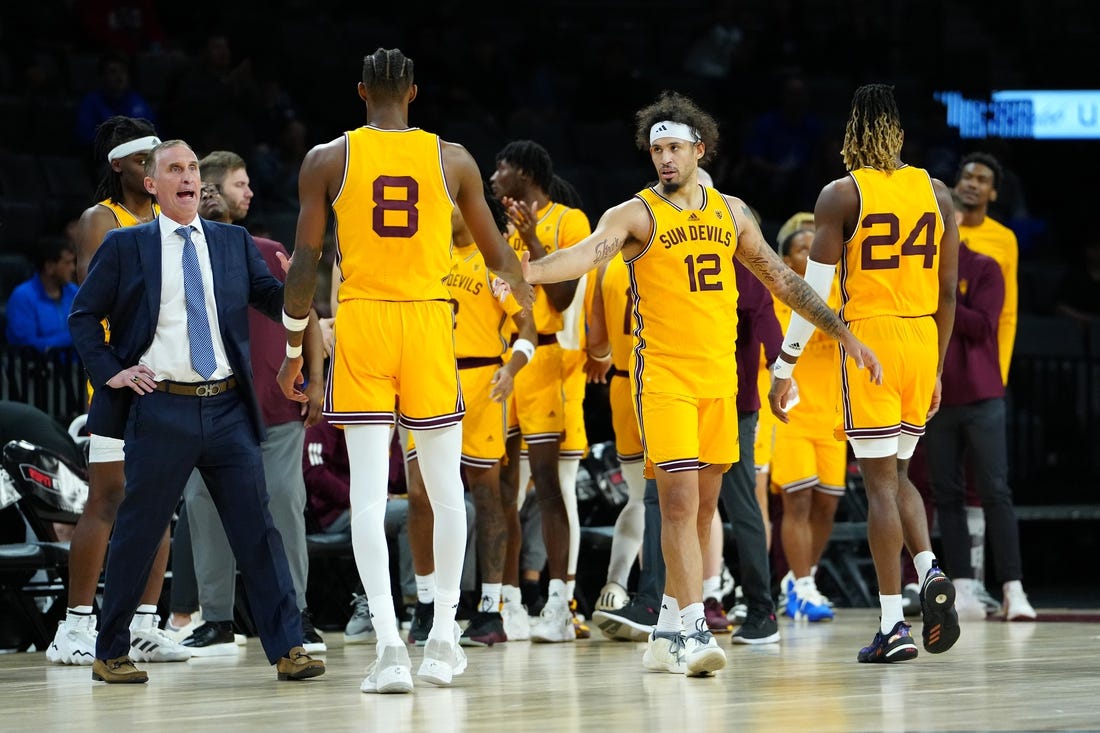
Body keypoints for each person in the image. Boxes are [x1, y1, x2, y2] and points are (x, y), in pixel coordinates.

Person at [519, 90, 880, 677]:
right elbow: (586, 255)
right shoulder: (636, 214)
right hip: (663, 377)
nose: (664, 158)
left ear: (699, 150)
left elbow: (784, 282)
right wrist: (527, 270)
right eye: (656, 149)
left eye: (674, 148)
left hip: (719, 379)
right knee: (680, 503)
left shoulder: (732, 213)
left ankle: (664, 629)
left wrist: (843, 332)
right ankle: (690, 629)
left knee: (705, 506)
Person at [280, 48, 532, 694]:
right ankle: (444, 635)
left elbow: (304, 267)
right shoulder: (452, 159)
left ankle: (391, 646)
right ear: (413, 94)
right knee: (447, 489)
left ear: (361, 91)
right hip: (426, 321)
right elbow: (497, 253)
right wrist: (525, 296)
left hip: (362, 320)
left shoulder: (326, 159)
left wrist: (290, 351)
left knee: (369, 492)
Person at [68, 139, 325, 684]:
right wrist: (112, 370)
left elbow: (274, 302)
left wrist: (297, 281)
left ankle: (287, 647)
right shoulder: (126, 246)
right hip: (160, 407)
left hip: (228, 405)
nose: (188, 177)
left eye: (192, 169)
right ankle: (110, 649)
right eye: (174, 170)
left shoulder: (233, 243)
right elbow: (84, 317)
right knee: (138, 531)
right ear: (153, 185)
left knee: (258, 530)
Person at [769, 84, 961, 664]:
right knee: (900, 474)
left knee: (878, 485)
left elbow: (813, 295)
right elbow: (950, 291)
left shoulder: (840, 194)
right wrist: (935, 368)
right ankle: (928, 568)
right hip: (923, 335)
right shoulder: (938, 192)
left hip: (871, 337)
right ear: (899, 132)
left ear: (850, 134)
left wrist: (785, 365)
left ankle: (893, 625)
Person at [47, 117, 188, 668]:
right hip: (119, 378)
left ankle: (144, 626)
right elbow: (99, 302)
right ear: (119, 166)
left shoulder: (167, 217)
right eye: (142, 159)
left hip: (168, 377)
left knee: (159, 507)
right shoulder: (101, 219)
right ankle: (75, 625)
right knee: (108, 498)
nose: (153, 167)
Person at [174, 155, 325, 657]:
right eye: (240, 184)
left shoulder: (267, 249)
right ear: (210, 193)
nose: (250, 192)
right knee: (202, 508)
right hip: (209, 407)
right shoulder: (181, 255)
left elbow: (307, 314)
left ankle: (297, 614)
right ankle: (216, 619)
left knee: (285, 506)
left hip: (276, 408)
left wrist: (319, 382)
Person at [490, 141, 592, 644]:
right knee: (503, 488)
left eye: (501, 168)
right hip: (504, 361)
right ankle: (507, 599)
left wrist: (534, 243)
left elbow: (565, 295)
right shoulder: (499, 231)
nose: (492, 177)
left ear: (525, 171)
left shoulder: (571, 222)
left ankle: (558, 601)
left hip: (550, 360)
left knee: (549, 487)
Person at [924, 241, 1036, 621]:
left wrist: (944, 292)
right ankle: (964, 585)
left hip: (982, 395)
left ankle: (1012, 587)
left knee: (995, 490)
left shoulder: (984, 266)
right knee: (946, 494)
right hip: (938, 397)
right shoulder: (919, 266)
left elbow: (982, 326)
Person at [770, 227, 846, 623]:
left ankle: (802, 580)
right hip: (790, 417)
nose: (814, 252)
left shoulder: (839, 295)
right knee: (796, 502)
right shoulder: (775, 298)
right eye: (803, 248)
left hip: (831, 415)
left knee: (828, 505)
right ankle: (801, 586)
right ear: (786, 261)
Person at [3, 237, 78, 351]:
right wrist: (71, 338)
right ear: (49, 266)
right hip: (37, 366)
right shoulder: (23, 296)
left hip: (74, 366)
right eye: (67, 263)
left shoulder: (74, 291)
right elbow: (27, 345)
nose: (73, 268)